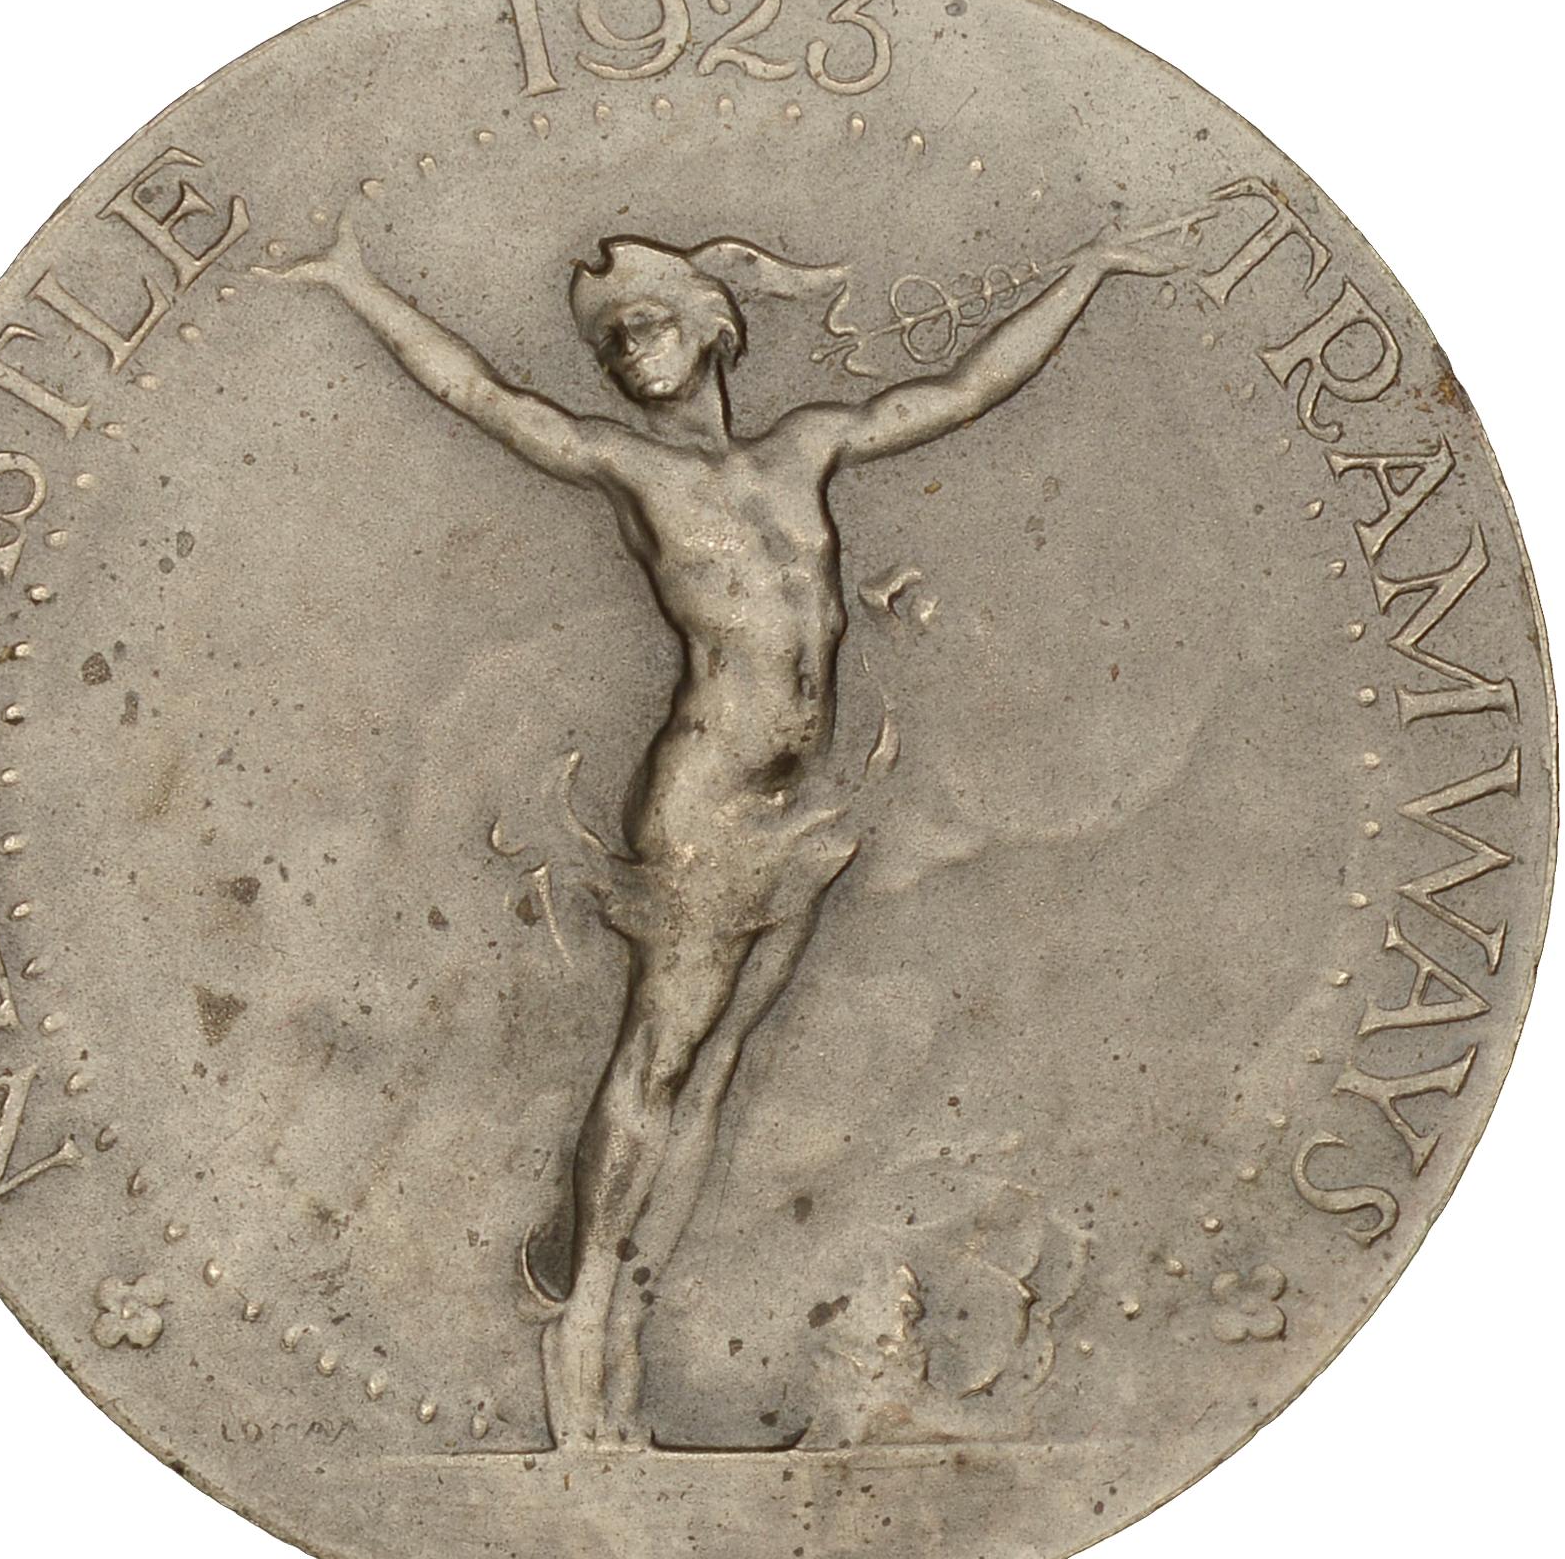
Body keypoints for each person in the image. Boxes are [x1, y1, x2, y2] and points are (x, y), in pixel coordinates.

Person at [256, 203, 1206, 1445]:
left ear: (713, 328)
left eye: (648, 323)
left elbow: (969, 388)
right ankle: (577, 1338)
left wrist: (1089, 271)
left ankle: (626, 1341)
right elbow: (485, 396)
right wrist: (354, 283)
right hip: (706, 806)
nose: (628, 349)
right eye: (611, 339)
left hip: (803, 806)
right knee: (656, 1066)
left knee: (715, 1075)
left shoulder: (805, 447)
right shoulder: (628, 466)